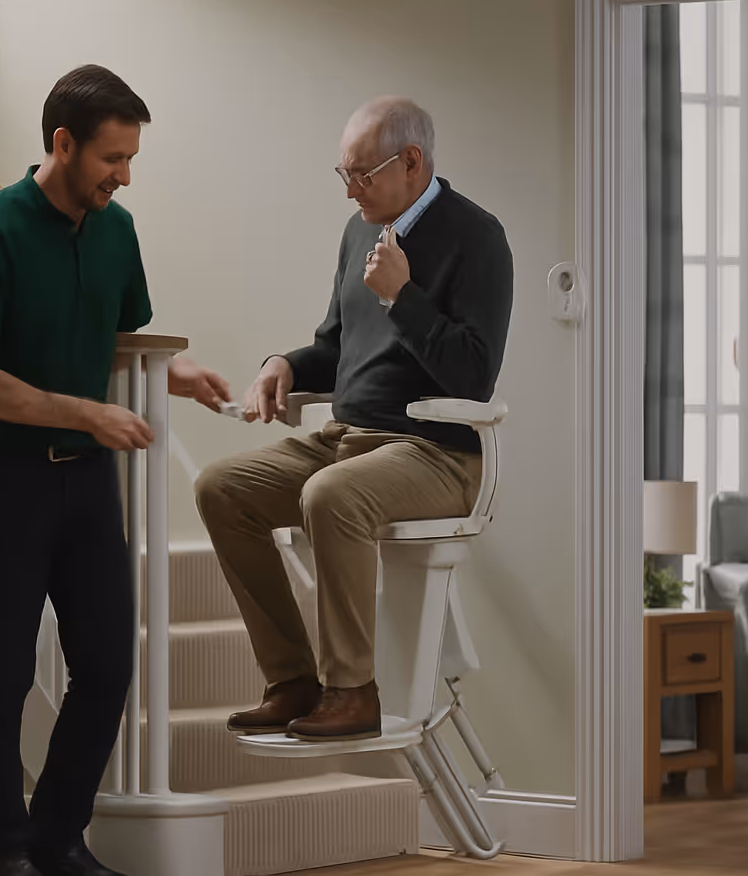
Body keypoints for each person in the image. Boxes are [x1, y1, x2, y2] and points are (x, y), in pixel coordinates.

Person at [0, 65, 230, 876]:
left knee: (107, 665)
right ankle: (5, 852)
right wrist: (84, 411)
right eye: (111, 158)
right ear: (61, 143)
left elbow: (117, 341)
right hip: (5, 480)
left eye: (131, 158)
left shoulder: (116, 230)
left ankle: (59, 836)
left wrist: (180, 372)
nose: (124, 176)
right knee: (2, 672)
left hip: (87, 486)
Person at [194, 97, 514, 743]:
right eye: (344, 175)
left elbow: (473, 377)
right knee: (220, 488)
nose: (351, 192)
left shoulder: (477, 237)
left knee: (330, 494)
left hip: (439, 454)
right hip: (347, 441)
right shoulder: (360, 232)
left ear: (413, 162)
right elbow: (337, 348)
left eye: (363, 175)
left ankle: (351, 691)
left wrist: (402, 295)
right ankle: (292, 681)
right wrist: (284, 363)